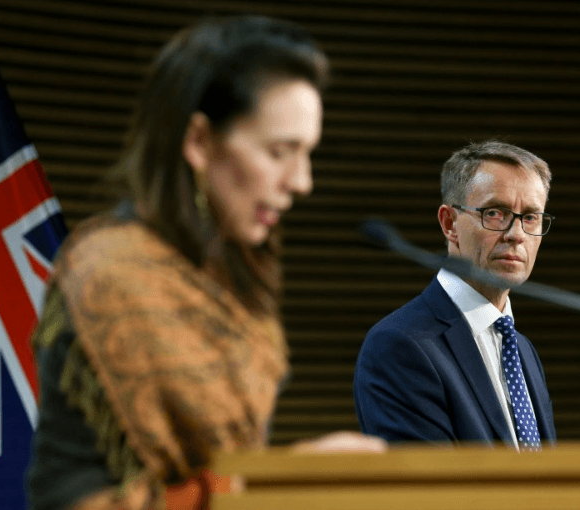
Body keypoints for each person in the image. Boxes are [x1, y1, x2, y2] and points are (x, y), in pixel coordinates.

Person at [26, 16, 384, 510]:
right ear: (198, 142)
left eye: (308, 154)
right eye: (281, 152)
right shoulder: (108, 275)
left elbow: (225, 471)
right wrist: (280, 481)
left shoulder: (238, 274)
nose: (302, 182)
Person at [354, 140, 556, 449]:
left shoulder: (522, 349)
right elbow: (430, 491)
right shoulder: (400, 344)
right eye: (495, 213)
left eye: (530, 217)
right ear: (449, 224)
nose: (516, 234)